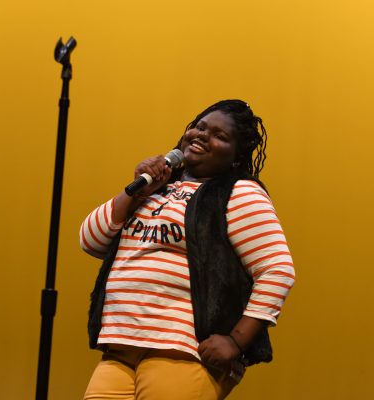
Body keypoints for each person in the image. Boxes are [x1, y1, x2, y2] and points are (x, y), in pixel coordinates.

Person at [79, 99, 295, 400]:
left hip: (183, 353)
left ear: (235, 157)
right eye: (200, 126)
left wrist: (236, 341)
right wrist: (138, 190)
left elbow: (277, 269)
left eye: (220, 136)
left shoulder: (239, 192)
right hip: (121, 349)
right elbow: (91, 239)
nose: (202, 135)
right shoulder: (156, 188)